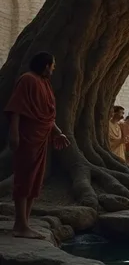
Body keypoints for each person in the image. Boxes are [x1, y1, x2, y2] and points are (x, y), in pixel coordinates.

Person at [5, 52, 70, 239]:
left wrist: (58, 132)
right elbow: (16, 108)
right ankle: (19, 224)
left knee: (35, 180)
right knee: (24, 178)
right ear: (46, 65)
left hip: (41, 139)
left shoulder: (45, 84)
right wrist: (14, 133)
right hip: (27, 137)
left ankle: (25, 222)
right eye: (53, 65)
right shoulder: (27, 80)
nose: (54, 69)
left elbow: (48, 115)